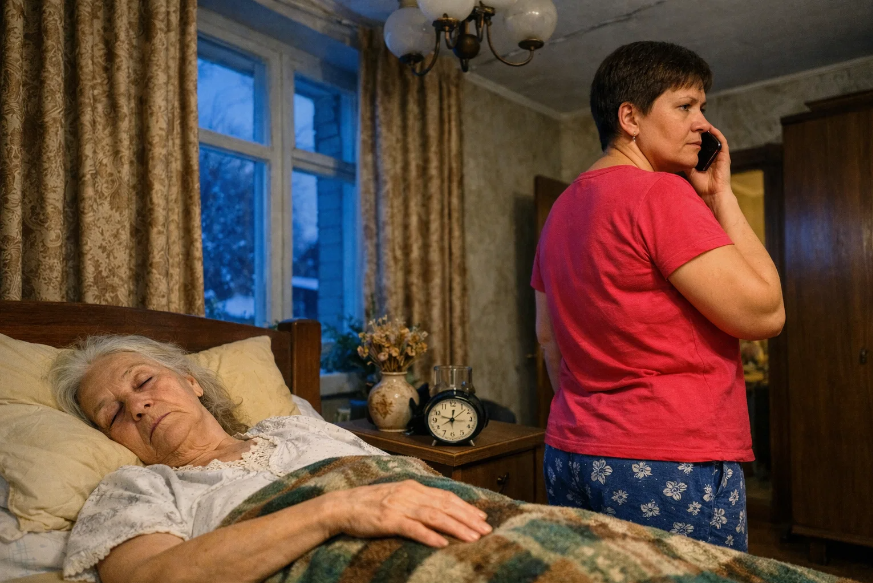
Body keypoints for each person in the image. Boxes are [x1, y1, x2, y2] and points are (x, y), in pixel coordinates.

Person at [531, 41, 784, 552]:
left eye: (702, 107)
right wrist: (720, 195)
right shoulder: (661, 193)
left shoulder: (560, 209)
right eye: (685, 106)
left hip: (572, 451)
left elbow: (548, 339)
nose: (704, 125)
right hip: (668, 457)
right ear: (630, 118)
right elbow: (765, 313)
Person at [50, 335, 492, 583]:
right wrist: (337, 510)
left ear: (192, 382)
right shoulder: (134, 489)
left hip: (477, 532)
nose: (137, 406)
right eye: (113, 413)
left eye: (143, 381)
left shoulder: (295, 428)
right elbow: (153, 578)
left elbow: (410, 481)